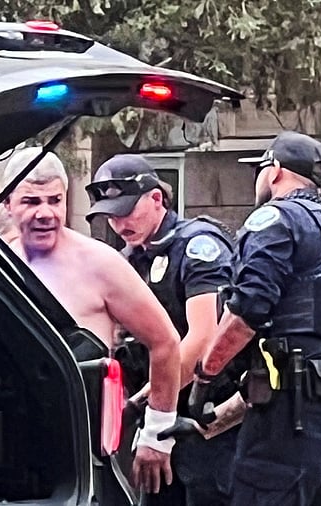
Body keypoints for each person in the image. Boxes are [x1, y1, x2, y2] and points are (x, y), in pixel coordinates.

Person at [189, 131, 321, 506]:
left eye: (259, 170)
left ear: (274, 171)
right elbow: (292, 358)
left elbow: (247, 312)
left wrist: (204, 376)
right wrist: (208, 424)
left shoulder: (276, 218)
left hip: (293, 420)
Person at [1, 147, 183, 495]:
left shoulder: (100, 263)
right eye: (31, 202)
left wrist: (157, 433)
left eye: (55, 201)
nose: (45, 213)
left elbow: (165, 341)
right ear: (8, 204)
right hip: (17, 439)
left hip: (89, 446)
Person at [85, 154, 248, 506]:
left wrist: (144, 403)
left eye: (127, 211)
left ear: (157, 198)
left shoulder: (197, 246)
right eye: (111, 215)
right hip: (160, 416)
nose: (119, 223)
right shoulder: (129, 259)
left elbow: (204, 338)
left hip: (207, 418)